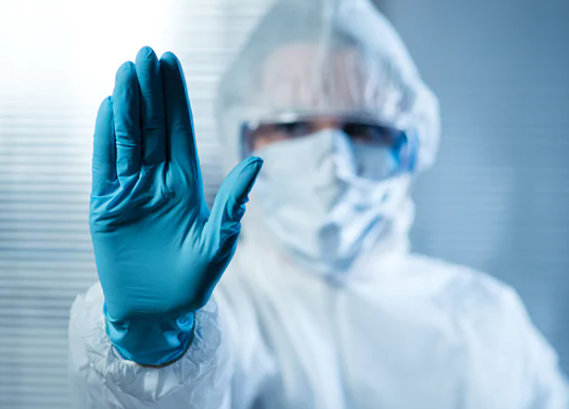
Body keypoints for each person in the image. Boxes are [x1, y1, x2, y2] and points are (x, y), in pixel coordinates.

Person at [68, 0, 569, 408]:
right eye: (292, 126)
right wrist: (155, 348)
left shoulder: (484, 320)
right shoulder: (214, 313)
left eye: (363, 128)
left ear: (411, 145)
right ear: (241, 138)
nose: (331, 159)